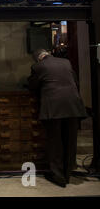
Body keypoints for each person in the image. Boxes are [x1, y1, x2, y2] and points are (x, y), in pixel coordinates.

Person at [28, 49, 87, 187]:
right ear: (48, 53)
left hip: (53, 107)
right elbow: (76, 83)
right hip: (73, 105)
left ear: (38, 59)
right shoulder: (66, 62)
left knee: (55, 142)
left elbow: (33, 85)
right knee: (70, 140)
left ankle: (58, 176)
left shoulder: (38, 66)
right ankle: (68, 173)